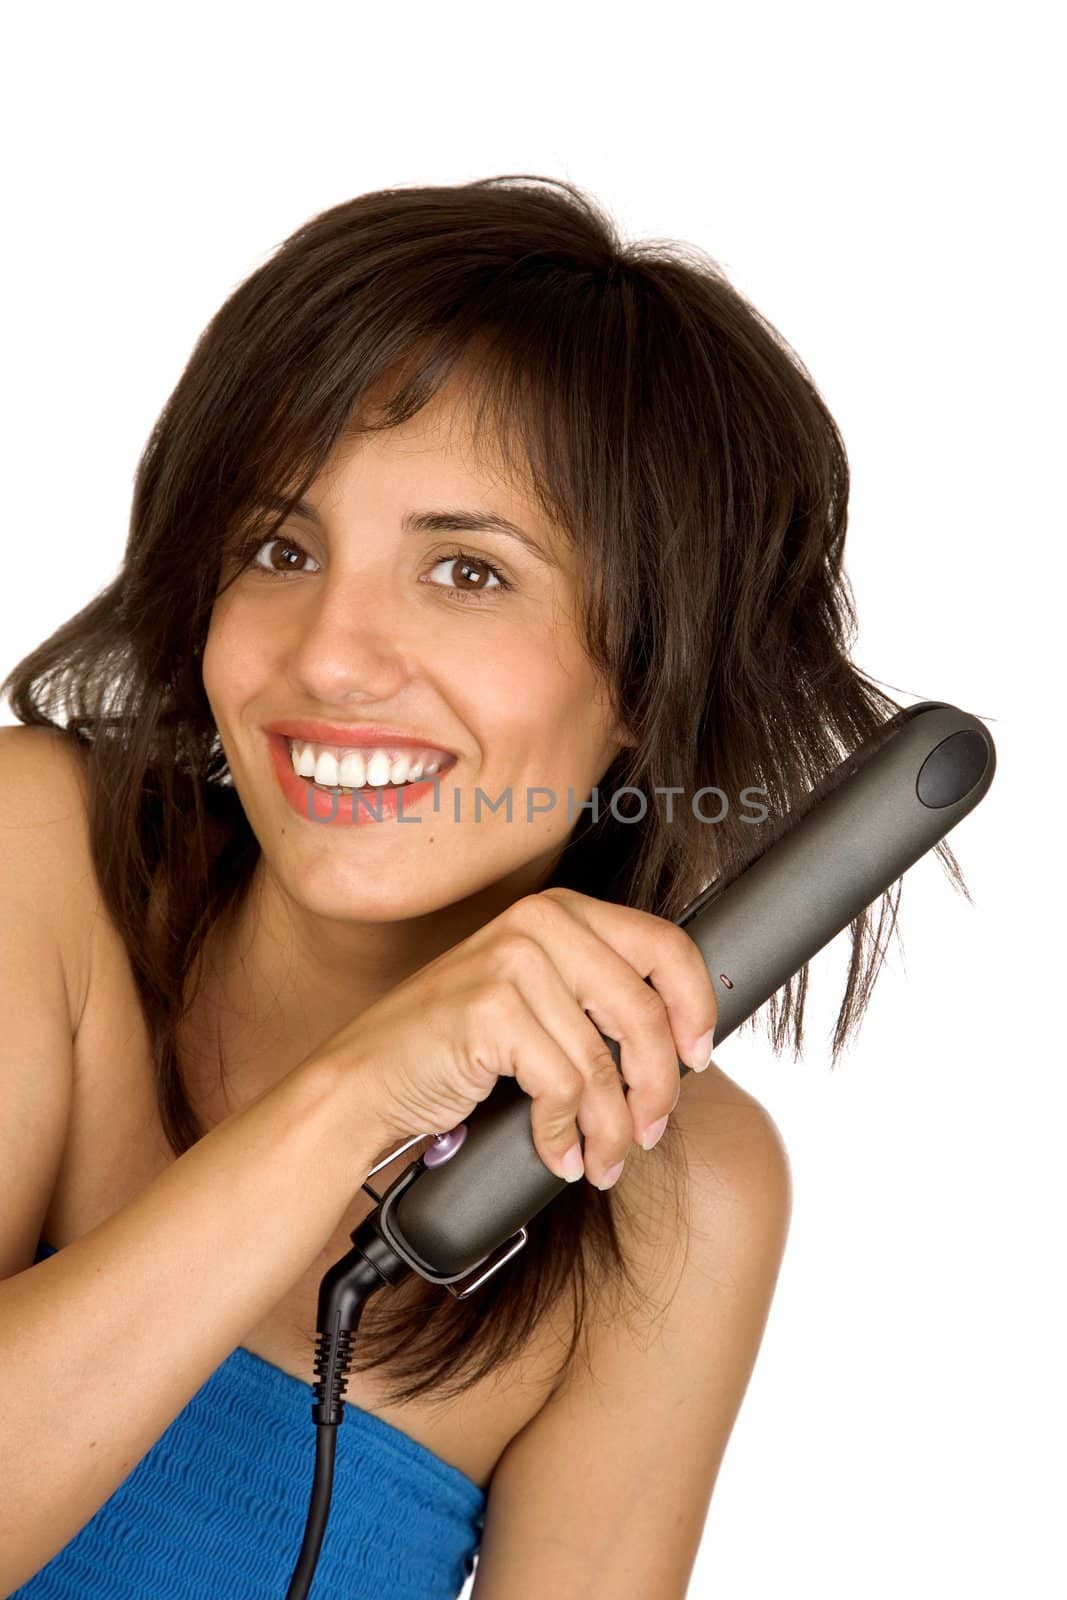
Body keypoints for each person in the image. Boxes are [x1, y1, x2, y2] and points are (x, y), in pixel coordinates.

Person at [0, 174, 963, 1598]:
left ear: (646, 676)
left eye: (466, 570)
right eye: (279, 548)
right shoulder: (38, 858)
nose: (328, 656)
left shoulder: (677, 1194)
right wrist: (353, 1099)